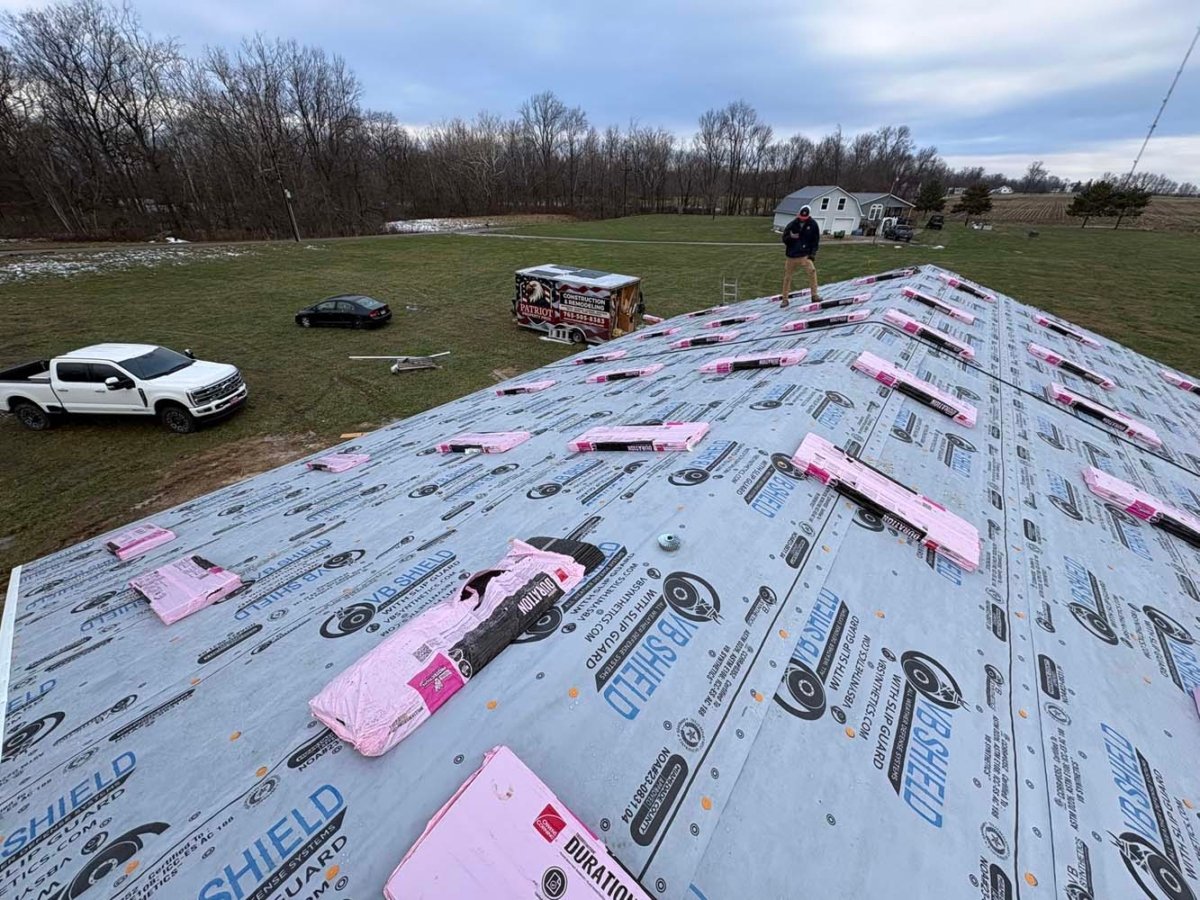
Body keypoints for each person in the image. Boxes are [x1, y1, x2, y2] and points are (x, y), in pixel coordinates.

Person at [780, 205, 821, 308]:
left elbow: (815, 241)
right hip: (791, 256)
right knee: (787, 277)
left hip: (805, 255)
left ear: (808, 216)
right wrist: (791, 237)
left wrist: (812, 254)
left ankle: (814, 295)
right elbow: (784, 238)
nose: (802, 219)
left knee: (812, 271)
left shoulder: (813, 225)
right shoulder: (792, 224)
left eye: (804, 218)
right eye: (801, 217)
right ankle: (785, 299)